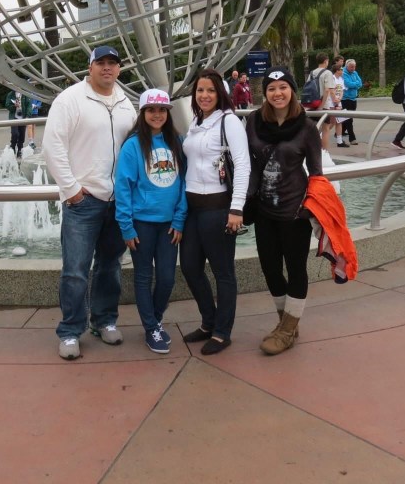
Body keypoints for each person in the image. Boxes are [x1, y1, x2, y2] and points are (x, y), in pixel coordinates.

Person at [43, 45, 137, 361]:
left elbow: (134, 147)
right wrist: (71, 189)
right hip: (83, 202)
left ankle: (104, 320)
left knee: (110, 267)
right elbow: (52, 146)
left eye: (113, 63)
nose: (107, 68)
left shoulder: (126, 103)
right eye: (101, 63)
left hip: (118, 201)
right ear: (90, 67)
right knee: (75, 271)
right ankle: (70, 331)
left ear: (119, 69)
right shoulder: (70, 100)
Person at [245, 67, 323, 355]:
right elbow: (250, 164)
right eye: (271, 88)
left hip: (294, 212)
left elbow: (316, 173)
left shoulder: (306, 127)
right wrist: (245, 200)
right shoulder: (254, 121)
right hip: (264, 210)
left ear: (292, 90)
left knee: (296, 269)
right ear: (265, 93)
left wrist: (309, 210)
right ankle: (286, 322)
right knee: (270, 270)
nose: (277, 93)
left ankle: (287, 330)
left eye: (283, 87)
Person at [181, 68, 250, 355]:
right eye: (200, 90)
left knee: (223, 272)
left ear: (220, 92)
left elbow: (243, 165)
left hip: (218, 207)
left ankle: (222, 331)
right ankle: (208, 321)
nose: (205, 95)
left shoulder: (229, 121)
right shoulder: (196, 121)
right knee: (189, 267)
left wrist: (236, 208)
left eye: (210, 90)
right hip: (192, 209)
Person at [115, 89, 187, 354]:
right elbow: (123, 186)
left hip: (169, 225)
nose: (157, 115)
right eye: (151, 110)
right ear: (143, 113)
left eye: (162, 110)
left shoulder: (177, 142)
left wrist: (179, 219)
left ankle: (153, 321)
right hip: (142, 224)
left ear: (168, 113)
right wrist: (126, 226)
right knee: (143, 277)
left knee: (167, 278)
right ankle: (152, 328)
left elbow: (184, 183)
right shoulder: (133, 145)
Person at [340, 58, 363, 145]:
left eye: (354, 67)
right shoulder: (343, 73)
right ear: (347, 66)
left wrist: (355, 84)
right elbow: (348, 84)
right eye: (351, 67)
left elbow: (360, 83)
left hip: (353, 98)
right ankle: (352, 138)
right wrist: (355, 84)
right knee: (349, 119)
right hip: (345, 99)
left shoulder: (355, 73)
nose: (353, 68)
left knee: (348, 118)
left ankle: (340, 132)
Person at [5, 87, 28, 157]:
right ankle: (13, 146)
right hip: (14, 118)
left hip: (23, 118)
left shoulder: (25, 94)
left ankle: (20, 149)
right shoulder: (10, 94)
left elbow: (29, 105)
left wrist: (28, 115)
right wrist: (14, 106)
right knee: (15, 133)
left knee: (22, 134)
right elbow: (7, 105)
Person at [330, 55, 348, 147]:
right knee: (331, 122)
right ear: (337, 71)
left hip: (338, 102)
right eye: (341, 70)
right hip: (331, 103)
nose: (343, 71)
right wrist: (335, 100)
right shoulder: (332, 78)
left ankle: (339, 141)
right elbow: (330, 90)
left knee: (339, 121)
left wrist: (339, 99)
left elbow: (341, 90)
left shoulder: (341, 79)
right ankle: (319, 135)